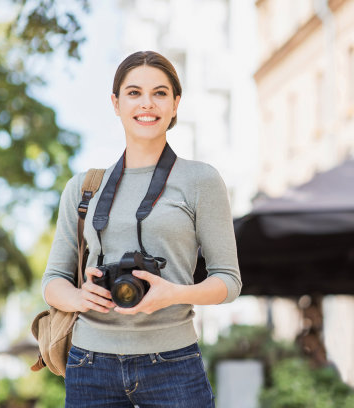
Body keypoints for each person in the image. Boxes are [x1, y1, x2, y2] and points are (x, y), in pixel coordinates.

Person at [42, 50, 242, 407]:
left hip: (173, 363)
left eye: (160, 93)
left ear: (176, 103)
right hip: (89, 364)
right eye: (134, 93)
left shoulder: (201, 180)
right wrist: (79, 297)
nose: (146, 104)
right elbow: (53, 281)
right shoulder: (83, 187)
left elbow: (228, 281)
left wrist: (173, 293)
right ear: (116, 103)